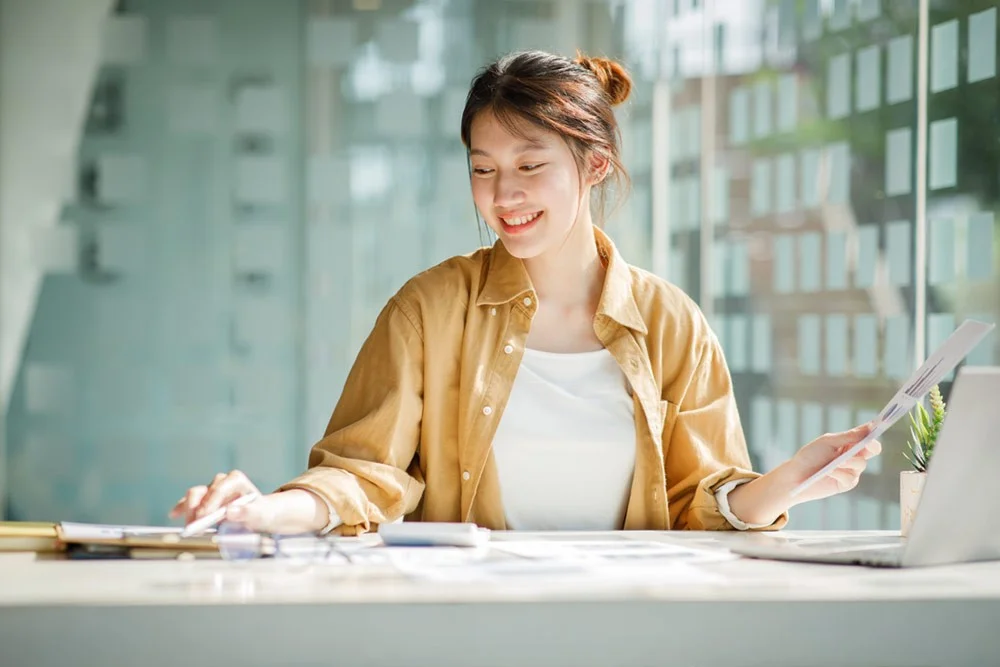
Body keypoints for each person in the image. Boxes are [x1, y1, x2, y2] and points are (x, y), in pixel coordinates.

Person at [171, 50, 881, 536]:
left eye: (529, 165)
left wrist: (787, 481)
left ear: (595, 164)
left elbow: (702, 503)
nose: (503, 195)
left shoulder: (671, 323)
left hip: (633, 632)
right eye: (483, 169)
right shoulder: (430, 307)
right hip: (471, 630)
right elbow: (364, 470)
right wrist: (272, 509)